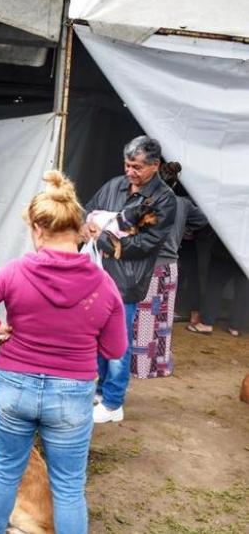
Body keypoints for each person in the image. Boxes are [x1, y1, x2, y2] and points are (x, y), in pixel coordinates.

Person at [0, 170, 128, 534]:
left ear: (37, 229)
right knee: (67, 485)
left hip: (14, 387)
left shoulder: (16, 272)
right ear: (79, 231)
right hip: (72, 394)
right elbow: (115, 348)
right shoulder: (103, 284)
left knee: (6, 468)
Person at [83, 135, 177, 423]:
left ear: (155, 165)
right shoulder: (114, 185)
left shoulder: (164, 199)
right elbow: (88, 209)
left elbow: (148, 243)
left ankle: (113, 401)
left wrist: (105, 241)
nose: (130, 172)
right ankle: (98, 391)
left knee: (117, 340)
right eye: (127, 165)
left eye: (137, 166)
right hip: (97, 274)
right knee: (96, 335)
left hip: (127, 281)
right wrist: (87, 226)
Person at [131, 160, 207, 378]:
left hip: (144, 266)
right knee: (163, 320)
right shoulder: (182, 204)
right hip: (169, 268)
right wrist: (183, 230)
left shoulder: (143, 201)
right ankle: (160, 365)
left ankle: (140, 367)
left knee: (142, 318)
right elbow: (202, 220)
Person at [188, 233, 249, 337]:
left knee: (215, 284)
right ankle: (235, 326)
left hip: (227, 246)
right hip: (246, 251)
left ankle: (206, 323)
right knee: (243, 288)